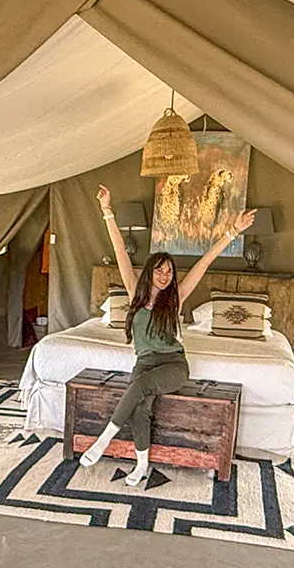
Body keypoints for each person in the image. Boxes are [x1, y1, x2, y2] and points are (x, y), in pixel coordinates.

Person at [80, 184, 256, 485]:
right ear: (149, 271)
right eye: (160, 270)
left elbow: (205, 262)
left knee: (141, 387)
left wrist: (232, 231)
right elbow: (119, 250)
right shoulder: (136, 291)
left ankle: (102, 440)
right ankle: (141, 466)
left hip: (173, 365)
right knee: (141, 408)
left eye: (170, 272)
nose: (166, 275)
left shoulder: (177, 297)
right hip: (144, 362)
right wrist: (106, 210)